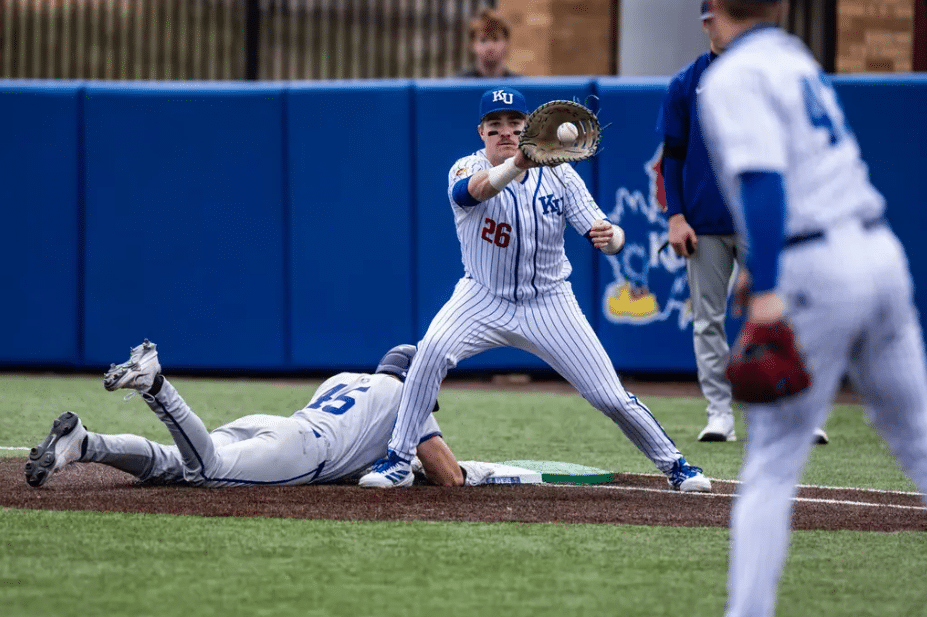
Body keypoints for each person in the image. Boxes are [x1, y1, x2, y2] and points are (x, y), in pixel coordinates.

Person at [359, 86, 712, 492]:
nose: (505, 132)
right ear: (481, 132)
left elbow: (608, 232)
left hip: (549, 301)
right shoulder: (463, 167)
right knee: (431, 352)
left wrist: (611, 236)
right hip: (481, 296)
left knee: (609, 396)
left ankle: (677, 467)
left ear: (528, 126)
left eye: (513, 123)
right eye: (495, 126)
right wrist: (518, 163)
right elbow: (471, 191)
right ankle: (398, 460)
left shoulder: (560, 174)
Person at [697, 1, 927, 616]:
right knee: (921, 437)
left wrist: (766, 286)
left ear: (713, 9)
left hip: (814, 267)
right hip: (878, 250)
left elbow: (763, 179)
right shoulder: (795, 56)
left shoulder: (732, 75)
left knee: (772, 463)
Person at [658, 0, 828, 444]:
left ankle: (799, 412)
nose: (720, 25)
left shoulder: (766, 75)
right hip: (704, 221)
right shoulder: (686, 82)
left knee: (783, 310)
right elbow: (671, 157)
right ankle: (720, 414)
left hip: (757, 221)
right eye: (711, 18)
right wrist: (676, 216)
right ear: (705, 22)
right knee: (707, 320)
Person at [24, 339, 498, 489]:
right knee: (203, 474)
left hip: (272, 425)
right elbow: (449, 476)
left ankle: (85, 444)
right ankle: (155, 385)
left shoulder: (343, 379)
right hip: (298, 452)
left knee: (174, 463)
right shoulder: (404, 398)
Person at [455, 8, 521, 79]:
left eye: (495, 39)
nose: (490, 46)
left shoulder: (519, 85)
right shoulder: (460, 84)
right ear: (472, 44)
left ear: (507, 43)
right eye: (483, 40)